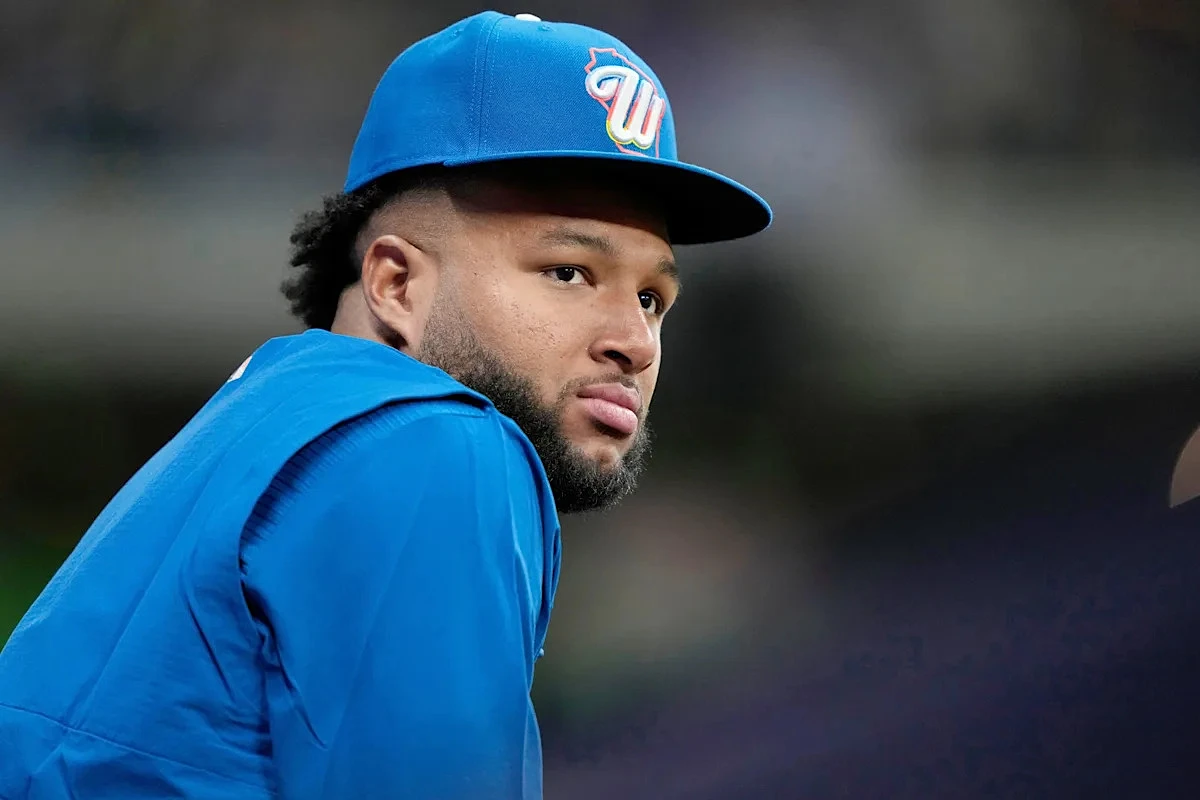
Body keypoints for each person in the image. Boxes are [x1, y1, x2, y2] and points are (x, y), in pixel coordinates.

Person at [0, 10, 770, 800]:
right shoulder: (433, 440)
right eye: (567, 272)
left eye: (651, 298)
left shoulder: (265, 421)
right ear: (397, 283)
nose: (635, 343)